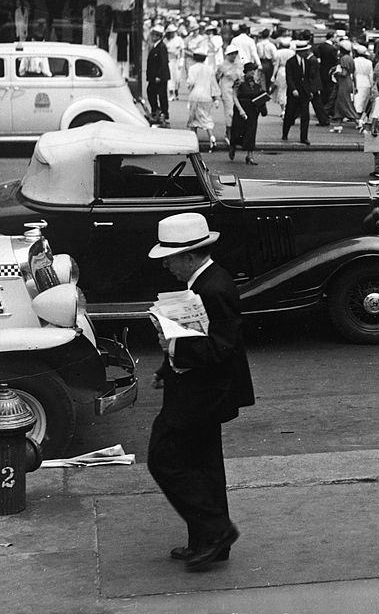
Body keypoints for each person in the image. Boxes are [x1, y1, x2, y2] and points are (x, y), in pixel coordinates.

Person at [146, 213, 254, 572]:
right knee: (202, 465)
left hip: (203, 393)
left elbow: (221, 347)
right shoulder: (206, 281)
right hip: (197, 387)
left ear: (190, 256)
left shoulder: (214, 288)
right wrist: (168, 367)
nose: (167, 266)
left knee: (165, 458)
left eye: (170, 259)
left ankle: (216, 530)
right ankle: (207, 542)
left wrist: (172, 350)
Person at [228, 62, 267, 165]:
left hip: (253, 109)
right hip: (241, 108)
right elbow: (235, 96)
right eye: (251, 71)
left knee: (251, 132)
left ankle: (250, 156)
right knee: (238, 131)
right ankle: (233, 146)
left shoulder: (257, 82)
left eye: (254, 71)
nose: (253, 73)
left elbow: (261, 94)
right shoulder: (239, 82)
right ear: (246, 71)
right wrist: (240, 110)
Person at [282, 38, 316, 145]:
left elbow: (308, 78)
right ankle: (285, 133)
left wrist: (309, 90)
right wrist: (293, 89)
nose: (307, 53)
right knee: (290, 113)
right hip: (294, 92)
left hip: (304, 92)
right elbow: (289, 77)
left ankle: (304, 137)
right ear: (300, 52)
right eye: (305, 51)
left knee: (305, 115)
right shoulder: (290, 62)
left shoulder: (307, 62)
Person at [186, 49, 220, 151]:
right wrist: (216, 98)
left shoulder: (192, 68)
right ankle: (211, 137)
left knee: (193, 119)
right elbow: (213, 84)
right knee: (206, 117)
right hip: (206, 96)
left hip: (195, 95)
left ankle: (194, 141)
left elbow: (190, 82)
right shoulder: (209, 69)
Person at [216, 45, 244, 145]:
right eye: (231, 54)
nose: (233, 56)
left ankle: (237, 133)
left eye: (235, 54)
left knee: (238, 112)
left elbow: (242, 77)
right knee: (229, 112)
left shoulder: (239, 64)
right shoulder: (222, 66)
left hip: (237, 91)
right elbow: (217, 78)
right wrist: (216, 93)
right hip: (226, 91)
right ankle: (228, 133)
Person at [147, 26, 171, 125]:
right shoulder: (155, 46)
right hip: (153, 76)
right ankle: (156, 110)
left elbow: (163, 62)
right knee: (151, 92)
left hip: (159, 77)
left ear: (158, 36)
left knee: (162, 95)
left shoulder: (161, 47)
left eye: (154, 35)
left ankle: (163, 113)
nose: (152, 37)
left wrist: (159, 76)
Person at [353, 44, 374, 117]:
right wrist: (372, 85)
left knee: (356, 101)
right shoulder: (369, 62)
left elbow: (353, 73)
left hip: (357, 82)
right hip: (366, 82)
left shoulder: (354, 61)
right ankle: (361, 117)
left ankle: (356, 116)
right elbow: (370, 75)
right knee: (364, 101)